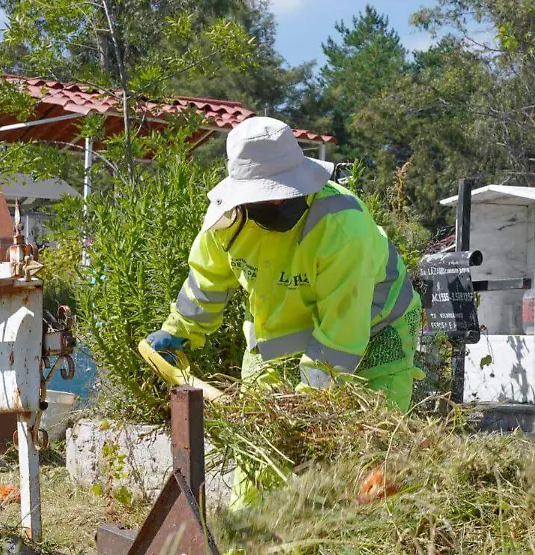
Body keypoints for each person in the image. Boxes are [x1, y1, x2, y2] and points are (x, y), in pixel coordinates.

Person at [146, 116, 422, 503]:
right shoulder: (228, 224)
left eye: (285, 193)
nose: (278, 202)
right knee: (258, 451)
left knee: (369, 453)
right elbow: (206, 280)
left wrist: (304, 407)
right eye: (268, 196)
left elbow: (340, 336)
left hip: (376, 332)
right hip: (279, 338)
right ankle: (247, 539)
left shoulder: (342, 227)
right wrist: (179, 329)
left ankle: (358, 535)